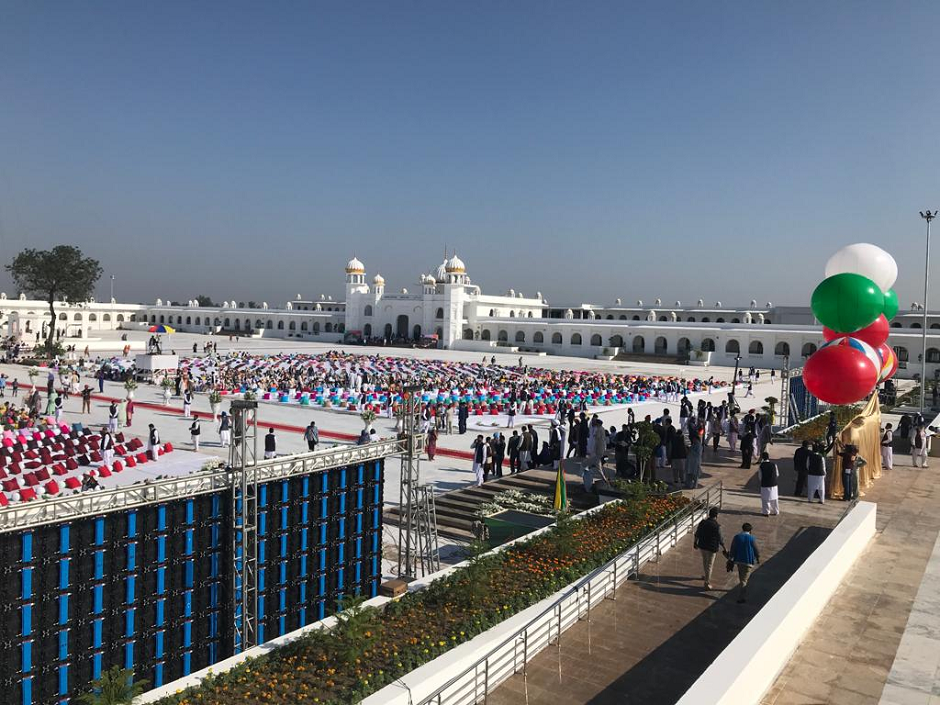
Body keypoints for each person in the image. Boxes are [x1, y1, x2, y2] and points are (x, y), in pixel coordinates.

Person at [693, 507, 726, 589]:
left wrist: (695, 542)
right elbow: (720, 538)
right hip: (712, 547)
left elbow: (697, 533)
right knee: (710, 565)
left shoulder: (703, 522)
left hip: (702, 545)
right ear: (716, 516)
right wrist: (725, 548)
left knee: (705, 561)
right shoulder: (717, 526)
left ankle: (706, 575)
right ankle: (707, 583)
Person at [729, 523, 761, 604]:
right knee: (744, 580)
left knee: (741, 576)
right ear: (750, 530)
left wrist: (730, 558)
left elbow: (733, 548)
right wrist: (758, 557)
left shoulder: (737, 537)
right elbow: (756, 549)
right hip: (748, 562)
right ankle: (741, 597)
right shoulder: (751, 538)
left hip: (739, 561)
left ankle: (741, 590)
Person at [758, 452, 780, 516]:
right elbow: (777, 474)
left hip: (765, 484)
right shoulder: (774, 464)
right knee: (775, 499)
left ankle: (766, 512)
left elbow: (760, 476)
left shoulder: (761, 466)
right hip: (774, 484)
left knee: (765, 499)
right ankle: (776, 511)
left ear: (762, 458)